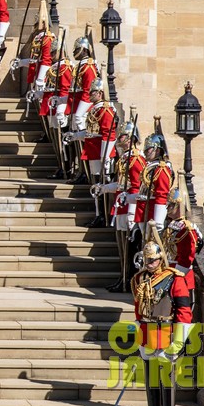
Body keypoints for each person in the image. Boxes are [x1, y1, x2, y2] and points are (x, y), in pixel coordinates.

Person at [130, 232, 192, 406]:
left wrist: (179, 339)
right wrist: (139, 333)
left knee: (167, 383)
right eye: (147, 261)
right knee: (151, 381)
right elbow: (138, 309)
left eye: (153, 260)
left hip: (166, 333)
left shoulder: (174, 278)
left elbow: (183, 310)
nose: (150, 264)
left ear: (160, 259)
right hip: (147, 333)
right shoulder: (139, 279)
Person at [95, 118, 143, 292]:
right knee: (122, 246)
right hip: (121, 204)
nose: (119, 138)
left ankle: (128, 280)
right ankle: (123, 278)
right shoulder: (124, 159)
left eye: (122, 136)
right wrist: (104, 189)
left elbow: (137, 186)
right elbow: (121, 184)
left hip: (129, 206)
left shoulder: (136, 160)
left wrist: (131, 211)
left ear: (130, 139)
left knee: (129, 247)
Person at [64, 79, 116, 225]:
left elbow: (109, 134)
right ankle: (99, 214)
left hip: (100, 153)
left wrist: (105, 156)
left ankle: (103, 216)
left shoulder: (105, 110)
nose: (89, 94)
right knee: (96, 185)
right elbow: (90, 133)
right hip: (93, 152)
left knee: (102, 185)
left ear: (100, 93)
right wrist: (75, 136)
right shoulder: (96, 109)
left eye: (92, 92)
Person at [65, 35, 99, 183]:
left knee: (83, 141)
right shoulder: (81, 66)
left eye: (77, 49)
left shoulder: (89, 67)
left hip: (83, 110)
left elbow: (88, 91)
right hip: (76, 106)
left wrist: (79, 114)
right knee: (77, 143)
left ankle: (85, 172)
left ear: (84, 50)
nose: (74, 52)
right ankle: (80, 170)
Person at [42, 40, 73, 179]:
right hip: (52, 106)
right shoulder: (55, 67)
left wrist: (60, 109)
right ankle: (61, 166)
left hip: (60, 108)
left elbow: (65, 90)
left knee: (62, 141)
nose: (52, 55)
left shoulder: (65, 67)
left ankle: (66, 168)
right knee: (56, 140)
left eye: (54, 52)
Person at [140, 118, 176, 231]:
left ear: (157, 149)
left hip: (153, 211)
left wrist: (158, 221)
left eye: (149, 149)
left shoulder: (162, 168)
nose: (146, 152)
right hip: (144, 209)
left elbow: (162, 194)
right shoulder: (151, 166)